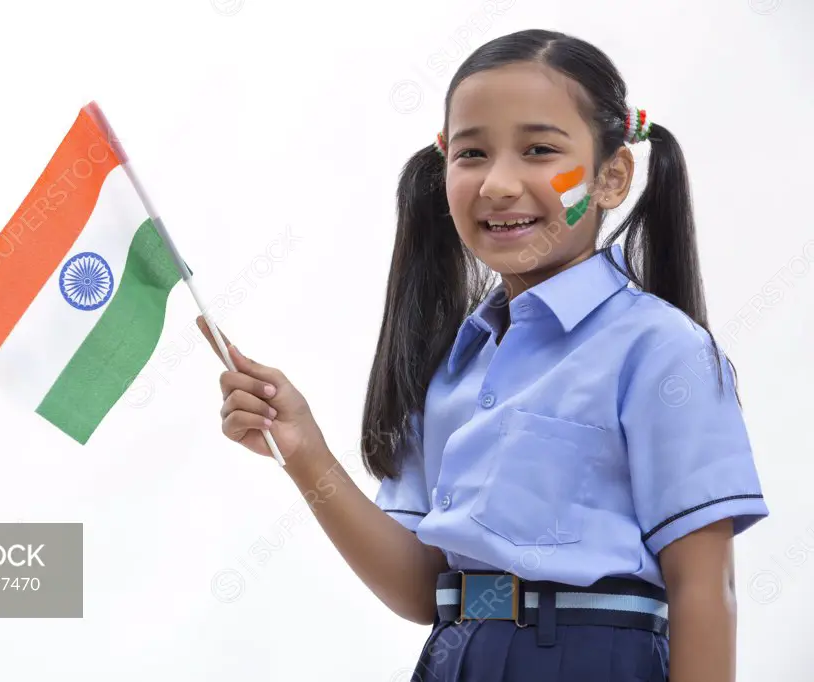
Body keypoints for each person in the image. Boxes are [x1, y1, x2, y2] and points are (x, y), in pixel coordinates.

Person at [196, 28, 768, 682]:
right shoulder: (453, 367)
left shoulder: (660, 350)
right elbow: (421, 588)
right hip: (452, 656)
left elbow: (704, 589)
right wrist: (302, 451)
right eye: (472, 153)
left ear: (613, 176)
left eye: (540, 150)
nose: (498, 183)